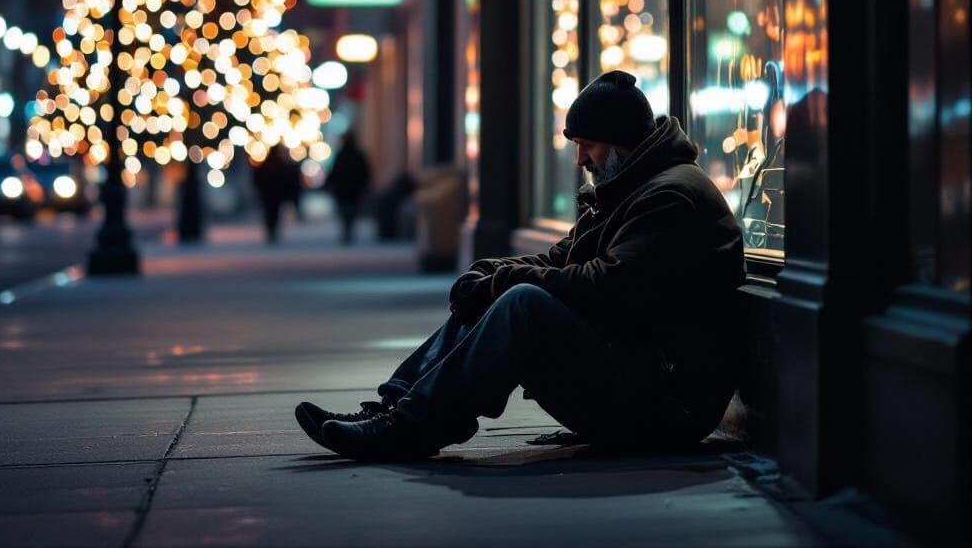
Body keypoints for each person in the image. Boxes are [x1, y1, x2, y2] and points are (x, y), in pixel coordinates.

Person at [296, 71, 746, 462]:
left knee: (523, 302)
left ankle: (411, 427)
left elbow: (611, 285)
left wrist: (508, 279)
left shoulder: (668, 196)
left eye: (588, 145)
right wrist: (491, 271)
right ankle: (394, 410)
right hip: (635, 374)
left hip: (665, 405)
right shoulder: (633, 184)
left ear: (620, 142)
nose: (580, 159)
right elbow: (559, 261)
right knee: (498, 290)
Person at [324, 130, 371, 244]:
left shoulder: (341, 155)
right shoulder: (358, 155)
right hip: (353, 189)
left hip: (343, 190)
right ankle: (348, 231)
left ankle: (347, 231)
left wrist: (329, 184)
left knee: (345, 211)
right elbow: (365, 172)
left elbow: (334, 172)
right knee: (351, 211)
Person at [251, 143, 302, 244]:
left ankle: (271, 230)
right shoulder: (281, 164)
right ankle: (272, 231)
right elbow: (288, 178)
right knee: (275, 213)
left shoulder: (264, 165)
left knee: (269, 213)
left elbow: (257, 178)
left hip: (268, 195)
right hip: (276, 194)